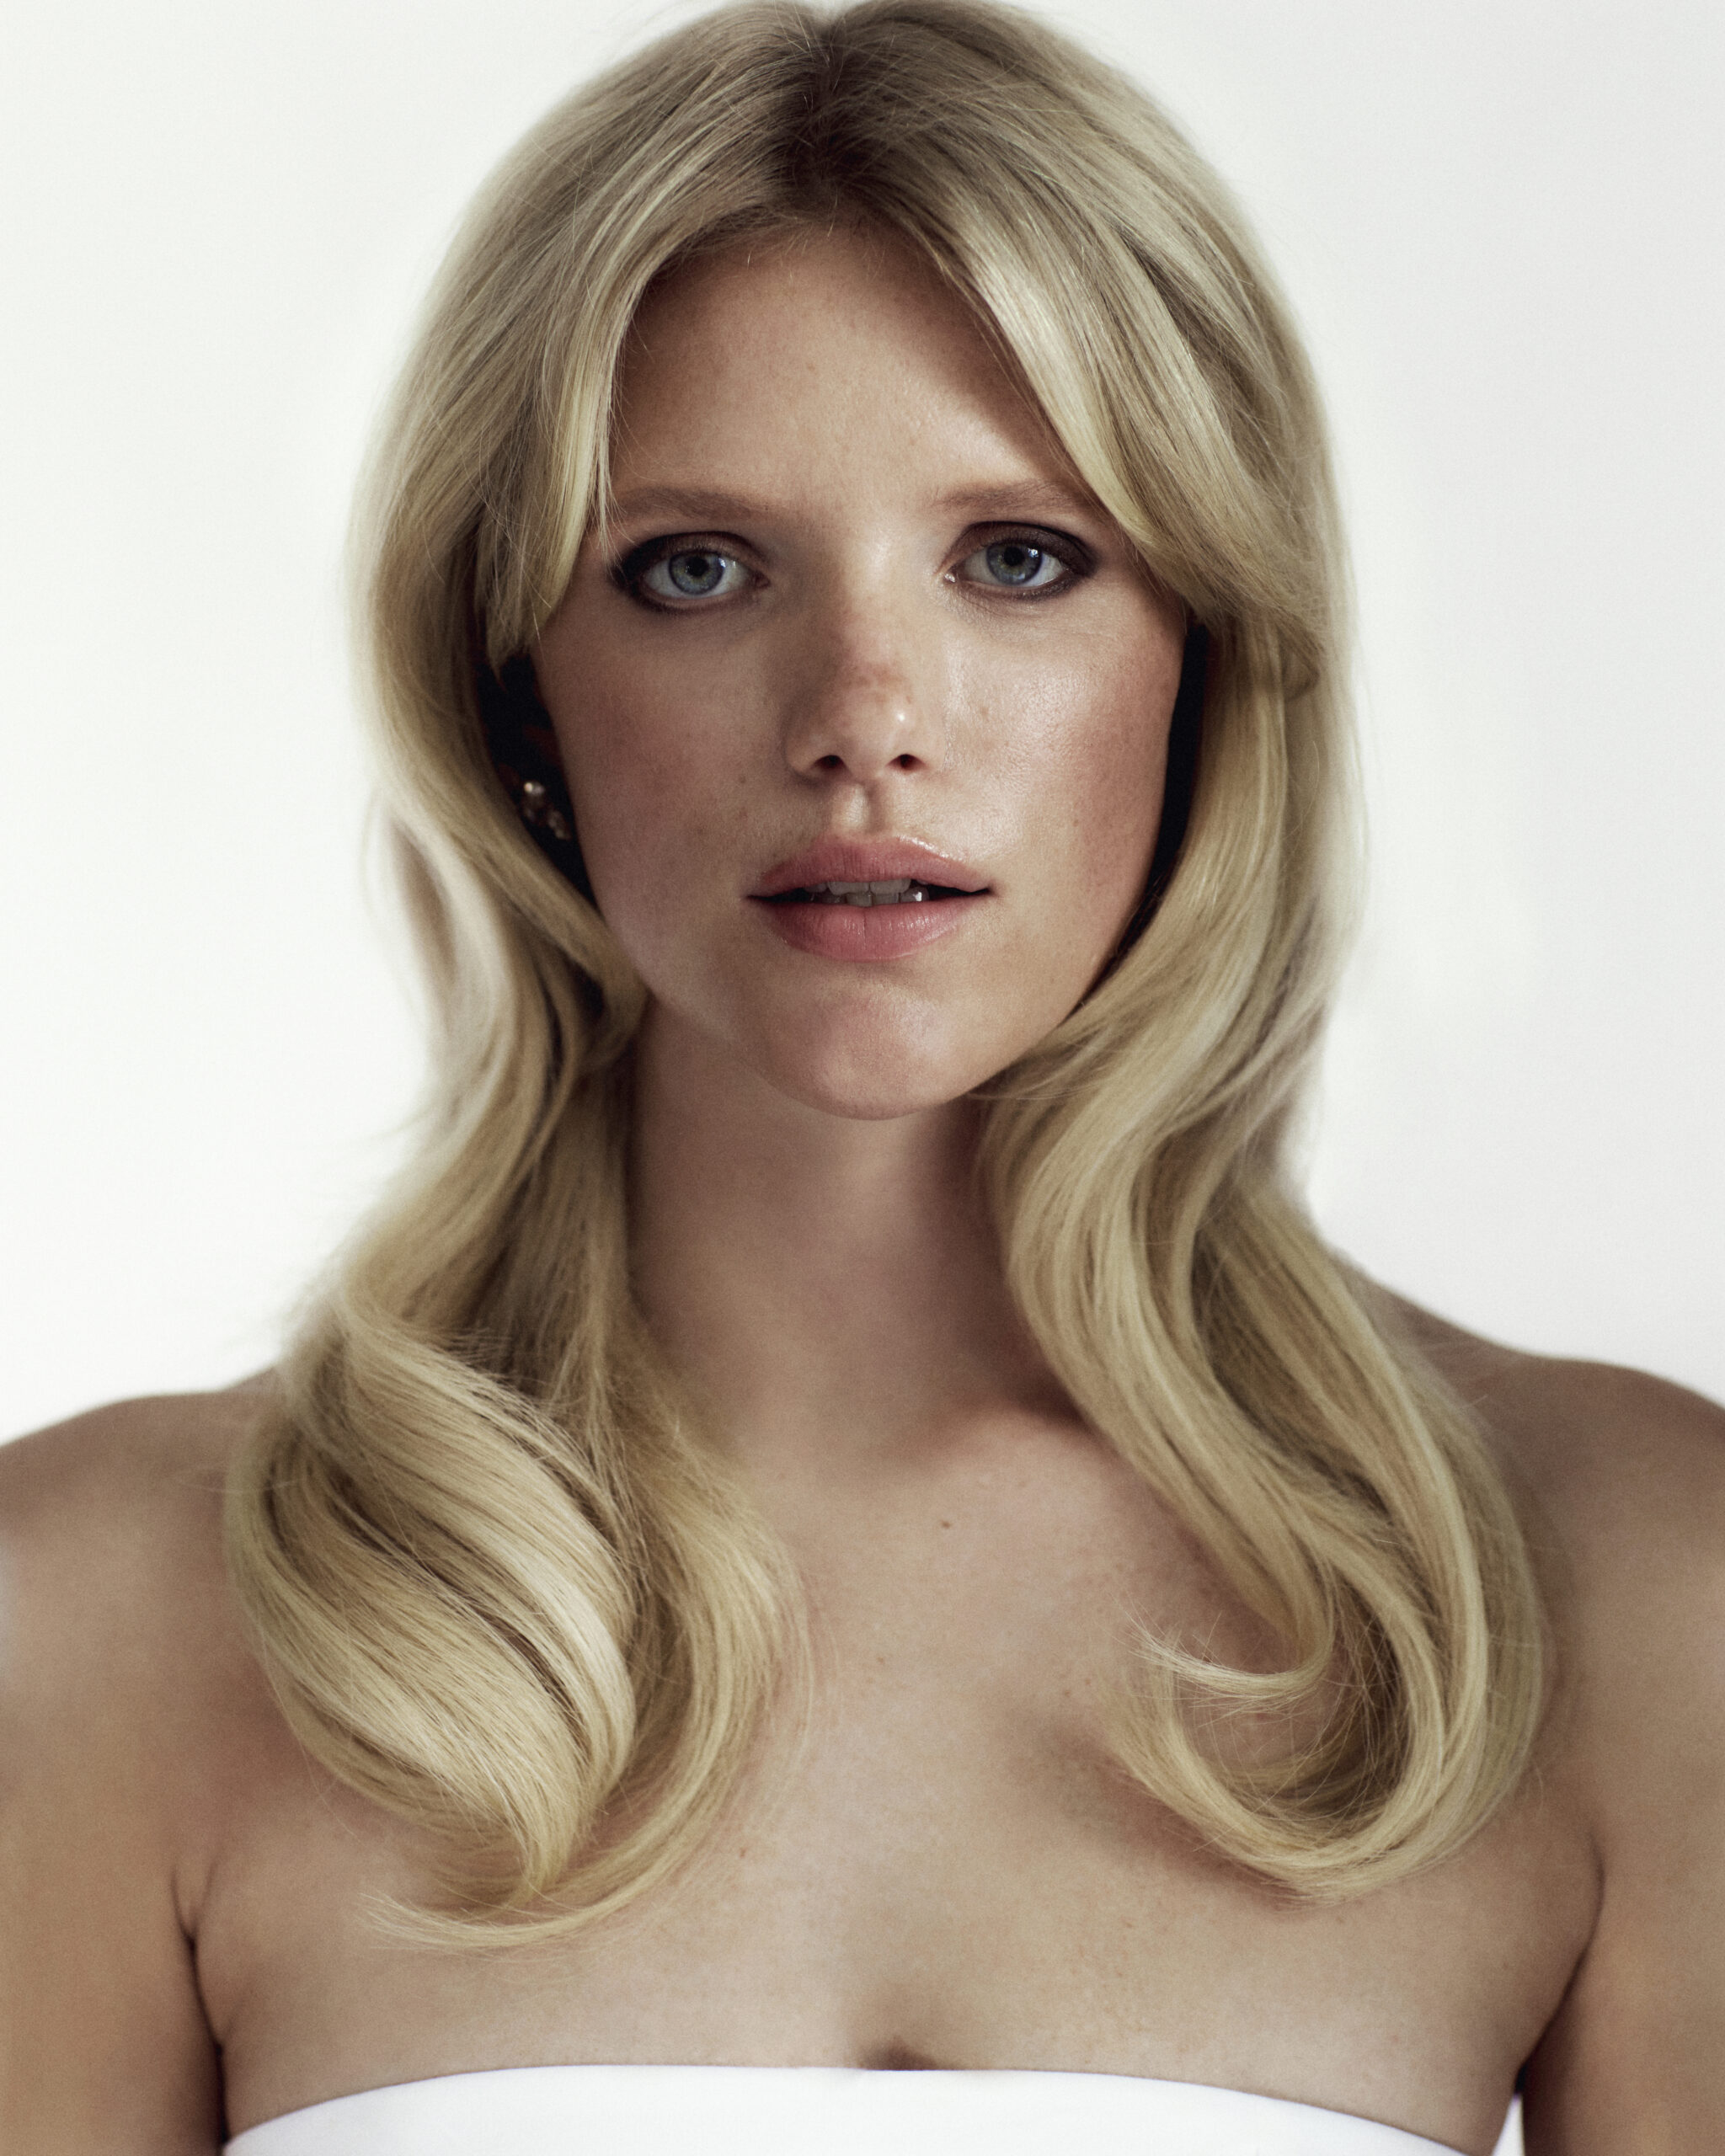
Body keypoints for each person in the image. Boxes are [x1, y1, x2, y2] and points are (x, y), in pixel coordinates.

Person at [2, 2, 1720, 2150]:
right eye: (696, 568)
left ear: (1202, 659)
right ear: (514, 688)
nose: (863, 716)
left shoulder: (1625, 1589)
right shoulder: (89, 1613)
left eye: (1019, 558)